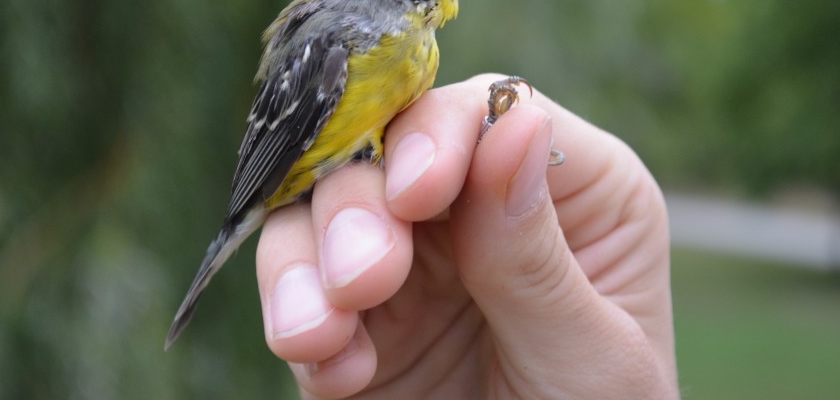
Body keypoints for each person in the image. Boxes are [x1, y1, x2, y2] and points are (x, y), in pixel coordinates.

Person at [254, 75, 679, 399]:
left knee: (411, 175)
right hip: (308, 179)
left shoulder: (412, 61)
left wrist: (494, 141)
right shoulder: (357, 45)